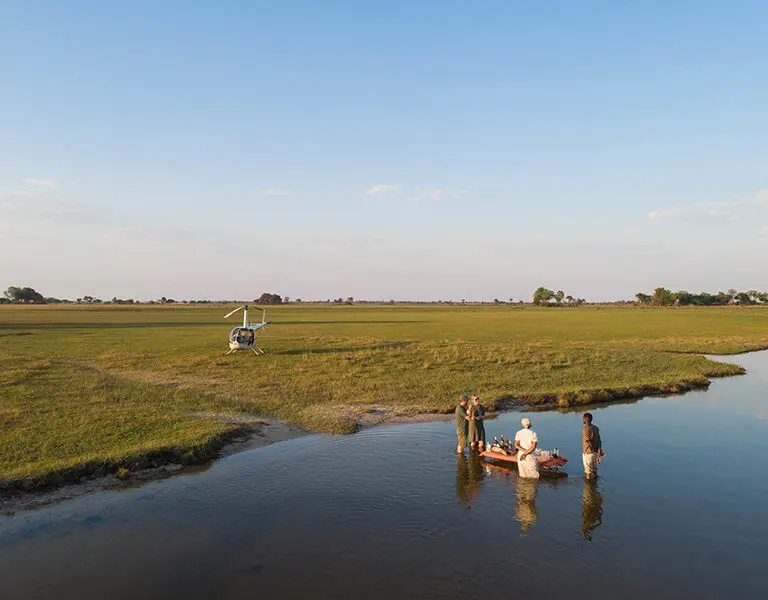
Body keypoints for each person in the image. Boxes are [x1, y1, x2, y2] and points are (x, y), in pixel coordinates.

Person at [582, 412, 605, 480]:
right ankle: (595, 486)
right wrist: (598, 454)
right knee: (594, 472)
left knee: (588, 473)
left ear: (584, 420)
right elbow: (599, 441)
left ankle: (588, 489)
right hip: (595, 453)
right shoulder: (596, 428)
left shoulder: (585, 429)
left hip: (588, 453)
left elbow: (588, 441)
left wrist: (591, 449)